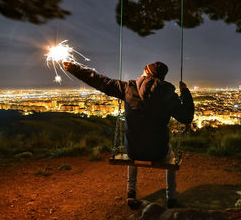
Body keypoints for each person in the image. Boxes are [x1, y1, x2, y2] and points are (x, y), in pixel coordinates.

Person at [63, 61, 194, 208]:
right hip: (158, 151)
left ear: (147, 72)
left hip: (133, 151)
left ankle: (130, 193)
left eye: (144, 71)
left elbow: (100, 81)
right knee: (170, 155)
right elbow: (186, 117)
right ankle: (171, 197)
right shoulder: (168, 94)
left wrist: (74, 68)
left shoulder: (128, 88)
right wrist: (185, 92)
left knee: (134, 145)